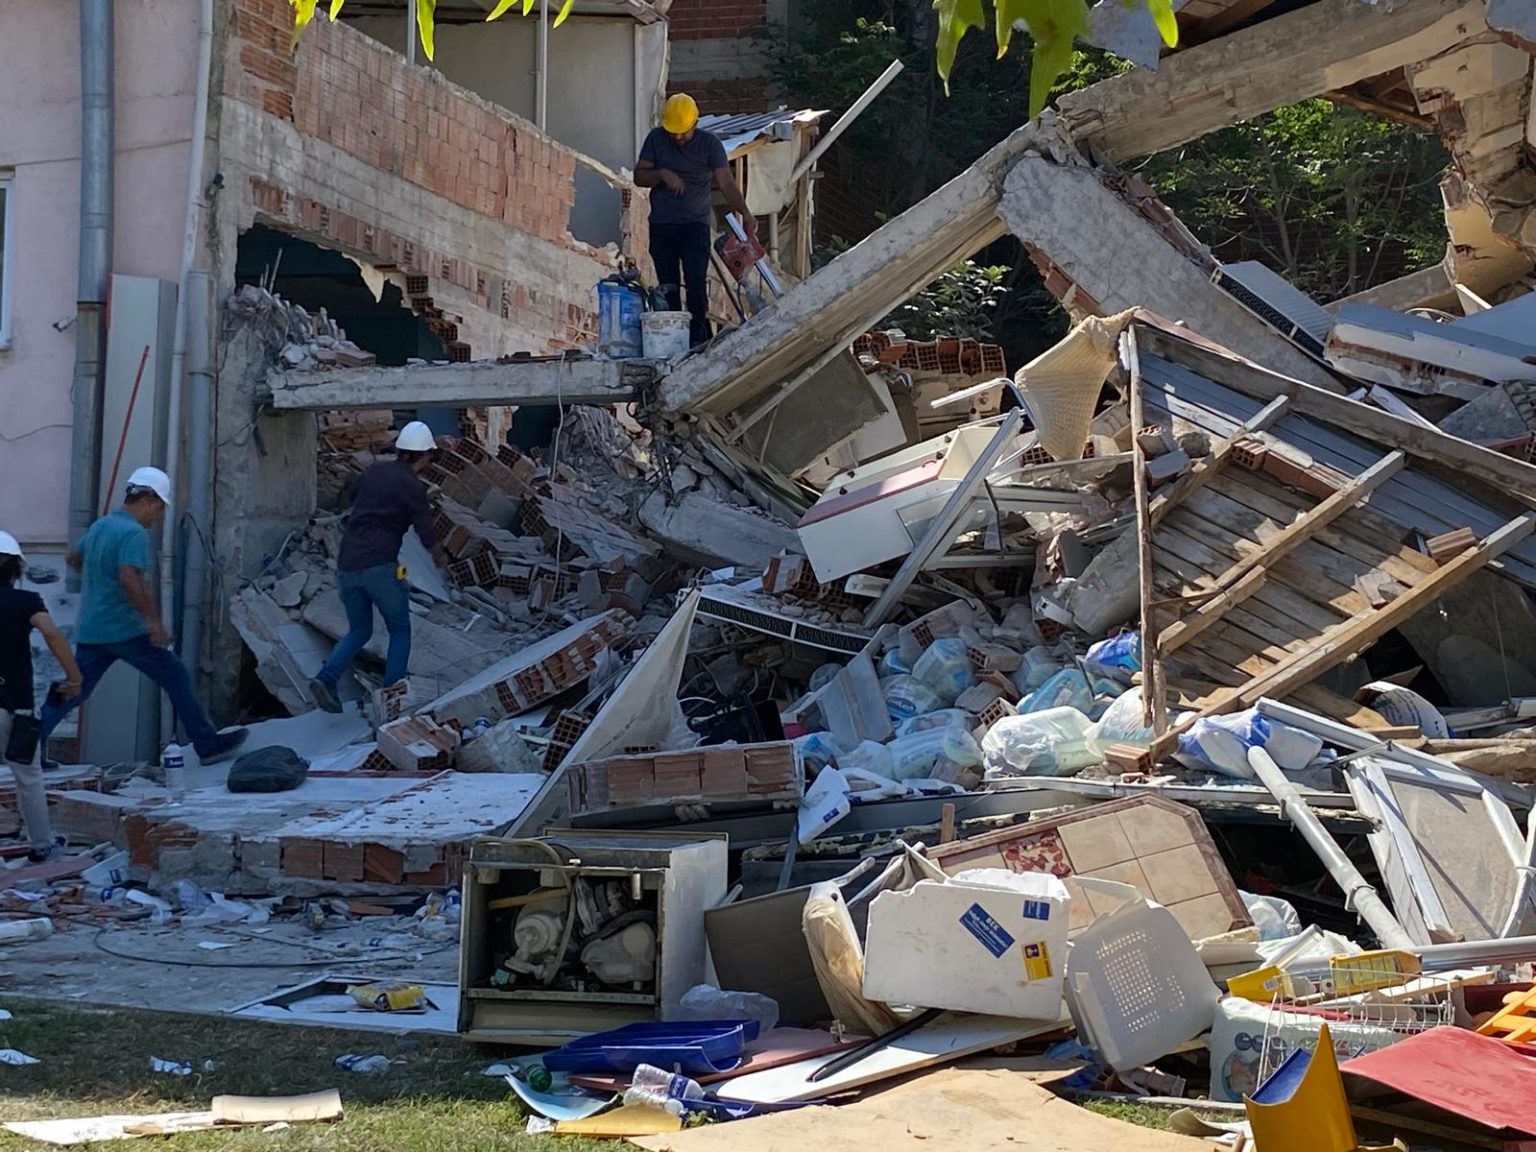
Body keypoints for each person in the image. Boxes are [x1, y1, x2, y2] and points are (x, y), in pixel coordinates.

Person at [38, 467, 248, 766]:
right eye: (159, 508)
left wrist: (98, 578)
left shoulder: (102, 525)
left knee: (75, 687)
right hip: (125, 628)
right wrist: (152, 620)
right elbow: (128, 576)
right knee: (175, 675)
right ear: (147, 499)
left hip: (93, 628)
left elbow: (73, 558)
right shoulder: (133, 533)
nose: (159, 517)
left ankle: (29, 745)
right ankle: (207, 743)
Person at [308, 422, 446, 713]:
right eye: (428, 457)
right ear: (421, 456)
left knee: (359, 630)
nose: (428, 463)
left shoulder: (372, 472)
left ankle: (326, 677)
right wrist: (439, 557)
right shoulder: (413, 487)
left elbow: (351, 496)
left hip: (347, 566)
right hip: (380, 567)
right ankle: (392, 696)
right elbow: (426, 531)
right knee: (399, 630)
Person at [635, 92, 756, 347]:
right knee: (667, 286)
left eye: (683, 132)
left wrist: (744, 212)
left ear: (695, 124)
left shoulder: (709, 144)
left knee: (695, 282)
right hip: (663, 225)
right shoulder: (656, 140)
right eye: (673, 132)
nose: (678, 137)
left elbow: (725, 181)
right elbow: (639, 176)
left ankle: (699, 341)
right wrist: (662, 174)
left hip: (695, 225)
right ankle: (674, 342)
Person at [0, 532, 82, 861]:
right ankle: (41, 844)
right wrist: (74, 676)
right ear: (17, 569)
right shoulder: (26, 602)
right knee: (28, 776)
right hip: (12, 706)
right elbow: (51, 632)